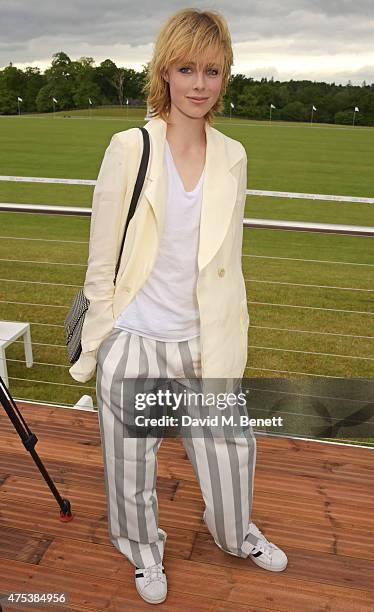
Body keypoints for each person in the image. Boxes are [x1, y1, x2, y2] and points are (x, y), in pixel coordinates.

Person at [69, 7, 288, 606]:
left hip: (203, 344)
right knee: (130, 470)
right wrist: (105, 337)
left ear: (225, 77)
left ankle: (236, 534)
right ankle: (142, 551)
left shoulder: (233, 156)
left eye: (212, 71)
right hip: (135, 340)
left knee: (230, 452)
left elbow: (229, 263)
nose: (199, 83)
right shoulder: (129, 147)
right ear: (165, 71)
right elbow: (101, 256)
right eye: (187, 68)